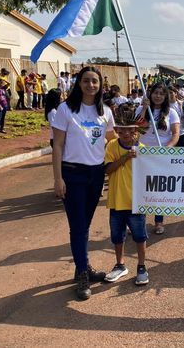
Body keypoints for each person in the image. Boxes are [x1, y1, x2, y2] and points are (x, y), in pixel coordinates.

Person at [51, 66, 116, 300]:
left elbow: (113, 140)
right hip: (73, 174)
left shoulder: (105, 112)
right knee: (78, 226)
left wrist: (134, 135)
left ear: (100, 85)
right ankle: (81, 273)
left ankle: (83, 265)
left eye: (95, 81)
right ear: (79, 83)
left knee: (85, 225)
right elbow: (57, 145)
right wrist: (58, 178)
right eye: (86, 81)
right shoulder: (65, 109)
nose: (91, 85)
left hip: (96, 174)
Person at [103, 104, 150, 285]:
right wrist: (125, 158)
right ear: (116, 131)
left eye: (129, 131)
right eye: (121, 131)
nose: (125, 134)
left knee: (140, 236)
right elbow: (108, 169)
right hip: (116, 200)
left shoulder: (143, 148)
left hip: (136, 201)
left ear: (135, 131)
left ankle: (141, 267)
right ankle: (120, 265)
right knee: (117, 236)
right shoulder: (112, 146)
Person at [136, 82, 180, 234]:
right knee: (141, 188)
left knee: (158, 188)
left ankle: (159, 221)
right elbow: (135, 129)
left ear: (165, 96)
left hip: (161, 156)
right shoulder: (142, 109)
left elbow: (175, 134)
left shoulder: (172, 112)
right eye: (155, 93)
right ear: (150, 94)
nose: (158, 96)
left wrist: (167, 149)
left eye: (161, 94)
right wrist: (143, 109)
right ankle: (138, 220)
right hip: (142, 154)